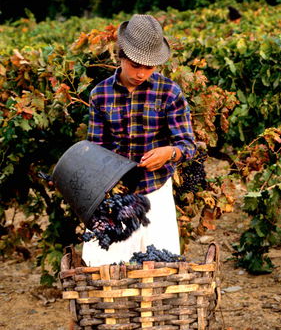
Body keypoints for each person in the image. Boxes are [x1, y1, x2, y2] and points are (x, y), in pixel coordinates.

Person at [82, 14, 196, 266]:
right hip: (115, 192)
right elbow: (96, 150)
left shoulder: (169, 92)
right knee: (106, 268)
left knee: (160, 268)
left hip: (156, 190)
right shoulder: (100, 95)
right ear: (121, 56)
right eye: (135, 65)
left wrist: (169, 153)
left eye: (149, 66)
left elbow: (187, 145)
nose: (142, 73)